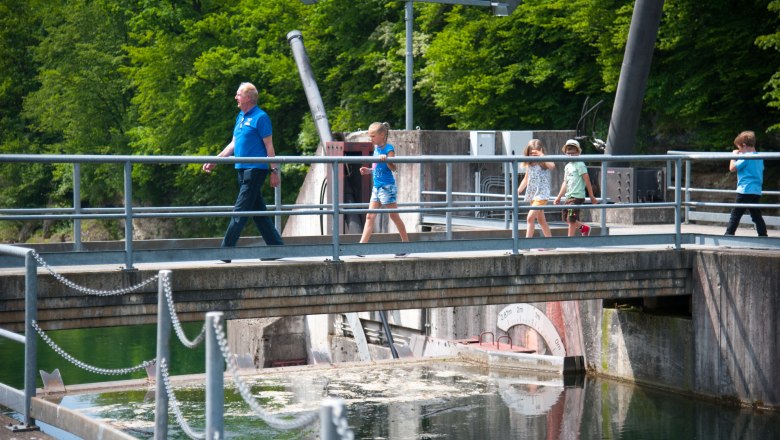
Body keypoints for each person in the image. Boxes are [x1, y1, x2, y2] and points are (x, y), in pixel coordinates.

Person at [202, 82, 284, 262]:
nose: (235, 98)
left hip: (255, 170)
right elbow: (233, 144)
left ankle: (226, 251)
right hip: (241, 169)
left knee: (239, 211)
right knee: (258, 211)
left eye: (238, 95)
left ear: (247, 98)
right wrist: (216, 160)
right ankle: (276, 247)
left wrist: (274, 171)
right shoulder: (240, 116)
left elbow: (269, 146)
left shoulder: (261, 117)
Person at [358, 122, 409, 256]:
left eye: (373, 136)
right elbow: (376, 168)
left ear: (382, 135)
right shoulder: (376, 149)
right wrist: (368, 170)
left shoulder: (389, 148)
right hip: (377, 187)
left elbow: (393, 167)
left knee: (394, 216)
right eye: (370, 136)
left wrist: (386, 159)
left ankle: (407, 245)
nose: (371, 139)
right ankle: (361, 248)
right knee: (370, 216)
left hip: (387, 187)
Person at [724, 130, 768, 236]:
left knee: (736, 214)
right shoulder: (759, 157)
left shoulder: (747, 157)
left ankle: (728, 234)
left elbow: (732, 168)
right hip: (756, 190)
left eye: (739, 148)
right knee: (756, 215)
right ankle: (763, 234)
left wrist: (733, 156)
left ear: (743, 145)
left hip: (745, 189)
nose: (739, 151)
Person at [553, 139, 597, 237]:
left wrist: (591, 196)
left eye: (573, 153)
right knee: (566, 218)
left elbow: (587, 180)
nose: (571, 155)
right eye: (569, 153)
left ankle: (570, 239)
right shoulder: (568, 166)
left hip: (577, 197)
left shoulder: (580, 164)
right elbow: (565, 182)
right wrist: (559, 196)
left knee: (571, 219)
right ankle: (584, 228)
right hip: (569, 196)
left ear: (578, 152)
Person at [517, 139, 555, 241]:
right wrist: (518, 191)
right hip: (533, 195)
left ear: (541, 151)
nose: (533, 156)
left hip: (542, 195)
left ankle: (527, 243)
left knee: (530, 218)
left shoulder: (543, 162)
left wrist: (542, 156)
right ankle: (550, 243)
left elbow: (552, 166)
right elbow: (526, 179)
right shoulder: (529, 165)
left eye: (536, 154)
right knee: (541, 220)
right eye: (531, 154)